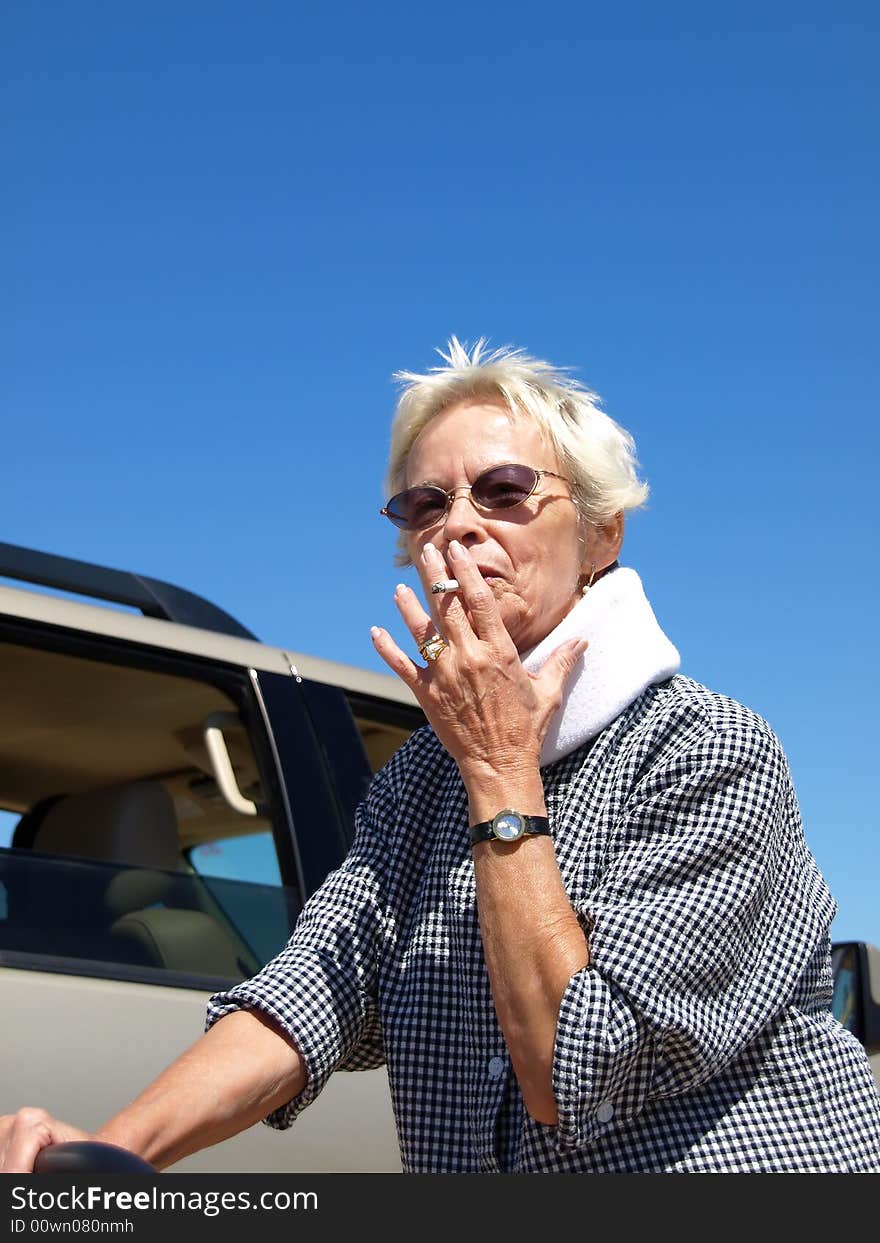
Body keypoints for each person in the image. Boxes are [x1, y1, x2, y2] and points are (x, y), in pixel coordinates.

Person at [2, 339, 879, 1174]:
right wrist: (112, 1151)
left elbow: (574, 1072)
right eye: (426, 504)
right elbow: (318, 986)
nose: (457, 526)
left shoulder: (704, 747)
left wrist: (501, 770)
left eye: (504, 490)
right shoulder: (419, 780)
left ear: (602, 536)